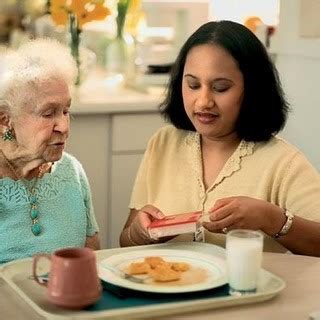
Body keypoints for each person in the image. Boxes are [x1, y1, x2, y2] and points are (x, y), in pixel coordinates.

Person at [120, 20, 320, 256]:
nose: (204, 101)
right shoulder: (163, 144)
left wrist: (271, 219)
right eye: (193, 85)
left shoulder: (283, 163)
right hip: (170, 290)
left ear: (253, 89)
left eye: (221, 88)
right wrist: (140, 233)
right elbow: (125, 240)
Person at [0, 39, 100, 264]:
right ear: (5, 120)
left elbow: (91, 251)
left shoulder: (71, 171)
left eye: (66, 111)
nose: (64, 127)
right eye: (48, 114)